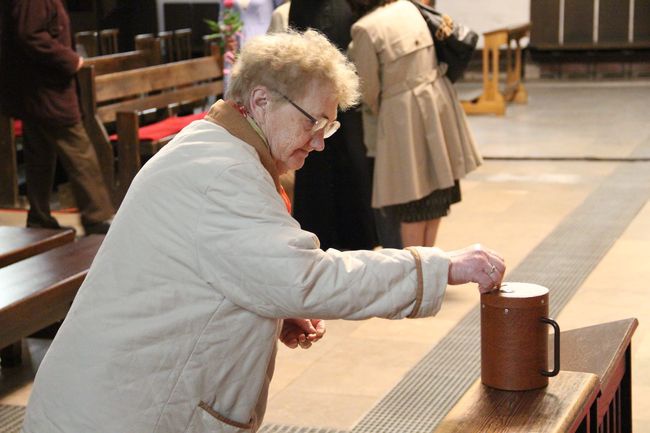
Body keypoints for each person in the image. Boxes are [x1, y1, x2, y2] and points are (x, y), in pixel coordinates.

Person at [22, 30, 505, 433]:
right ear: (260, 101)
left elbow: (217, 269)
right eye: (314, 122)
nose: (319, 143)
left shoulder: (214, 144)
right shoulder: (223, 175)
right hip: (120, 414)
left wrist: (268, 304)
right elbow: (306, 278)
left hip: (106, 399)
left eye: (329, 127)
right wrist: (440, 266)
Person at [347, 0, 482, 247]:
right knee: (436, 193)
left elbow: (367, 90)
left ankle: (416, 274)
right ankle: (430, 266)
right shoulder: (409, 8)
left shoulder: (364, 29)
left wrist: (387, 109)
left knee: (410, 198)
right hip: (438, 103)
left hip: (403, 117)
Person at [0, 0, 114, 234]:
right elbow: (29, 35)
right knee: (79, 150)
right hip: (46, 89)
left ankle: (40, 216)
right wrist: (71, 60)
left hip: (41, 89)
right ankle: (96, 216)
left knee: (39, 154)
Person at [289, 0, 383, 250]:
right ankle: (342, 242)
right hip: (325, 99)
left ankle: (346, 241)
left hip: (332, 100)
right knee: (330, 169)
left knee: (338, 169)